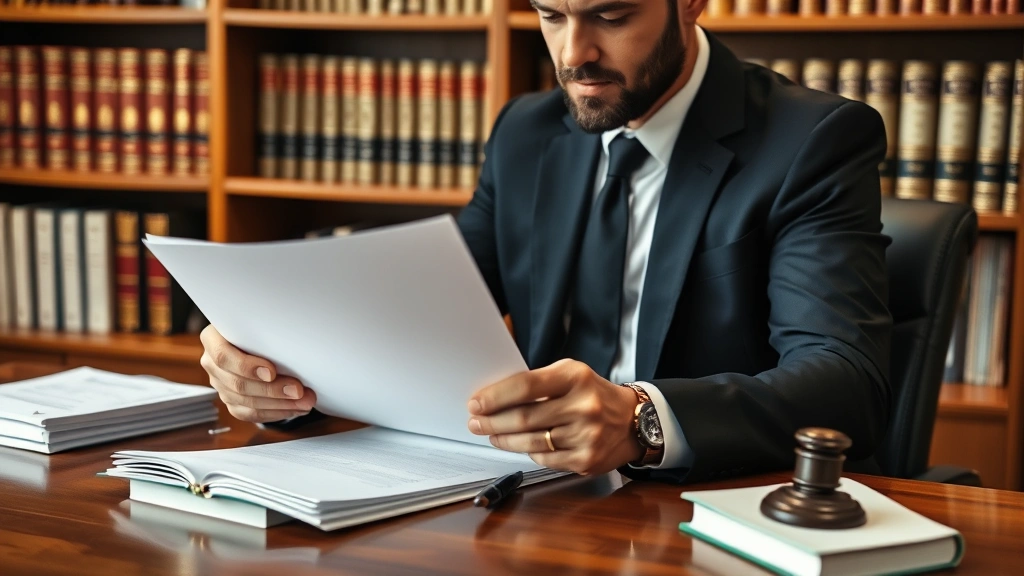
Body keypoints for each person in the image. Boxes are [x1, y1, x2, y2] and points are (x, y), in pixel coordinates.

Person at [199, 0, 892, 484]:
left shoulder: (813, 142)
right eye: (551, 15)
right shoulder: (526, 134)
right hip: (528, 498)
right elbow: (421, 307)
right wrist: (277, 372)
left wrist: (645, 421)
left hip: (701, 510)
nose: (573, 55)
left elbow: (844, 379)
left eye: (611, 17)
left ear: (691, 1)